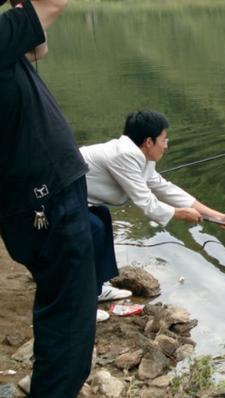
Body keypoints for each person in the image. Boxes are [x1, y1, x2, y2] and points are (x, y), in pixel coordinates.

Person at [0, 0, 97, 396]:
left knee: (61, 310)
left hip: (31, 205)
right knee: (70, 323)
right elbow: (53, 3)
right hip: (48, 204)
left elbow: (37, 47)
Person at [80, 109, 225, 294]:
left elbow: (165, 188)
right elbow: (146, 203)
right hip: (59, 197)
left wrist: (216, 215)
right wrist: (180, 214)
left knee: (102, 218)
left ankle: (96, 289)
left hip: (80, 200)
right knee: (94, 228)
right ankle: (83, 298)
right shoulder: (125, 155)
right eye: (164, 139)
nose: (166, 145)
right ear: (149, 141)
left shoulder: (142, 157)